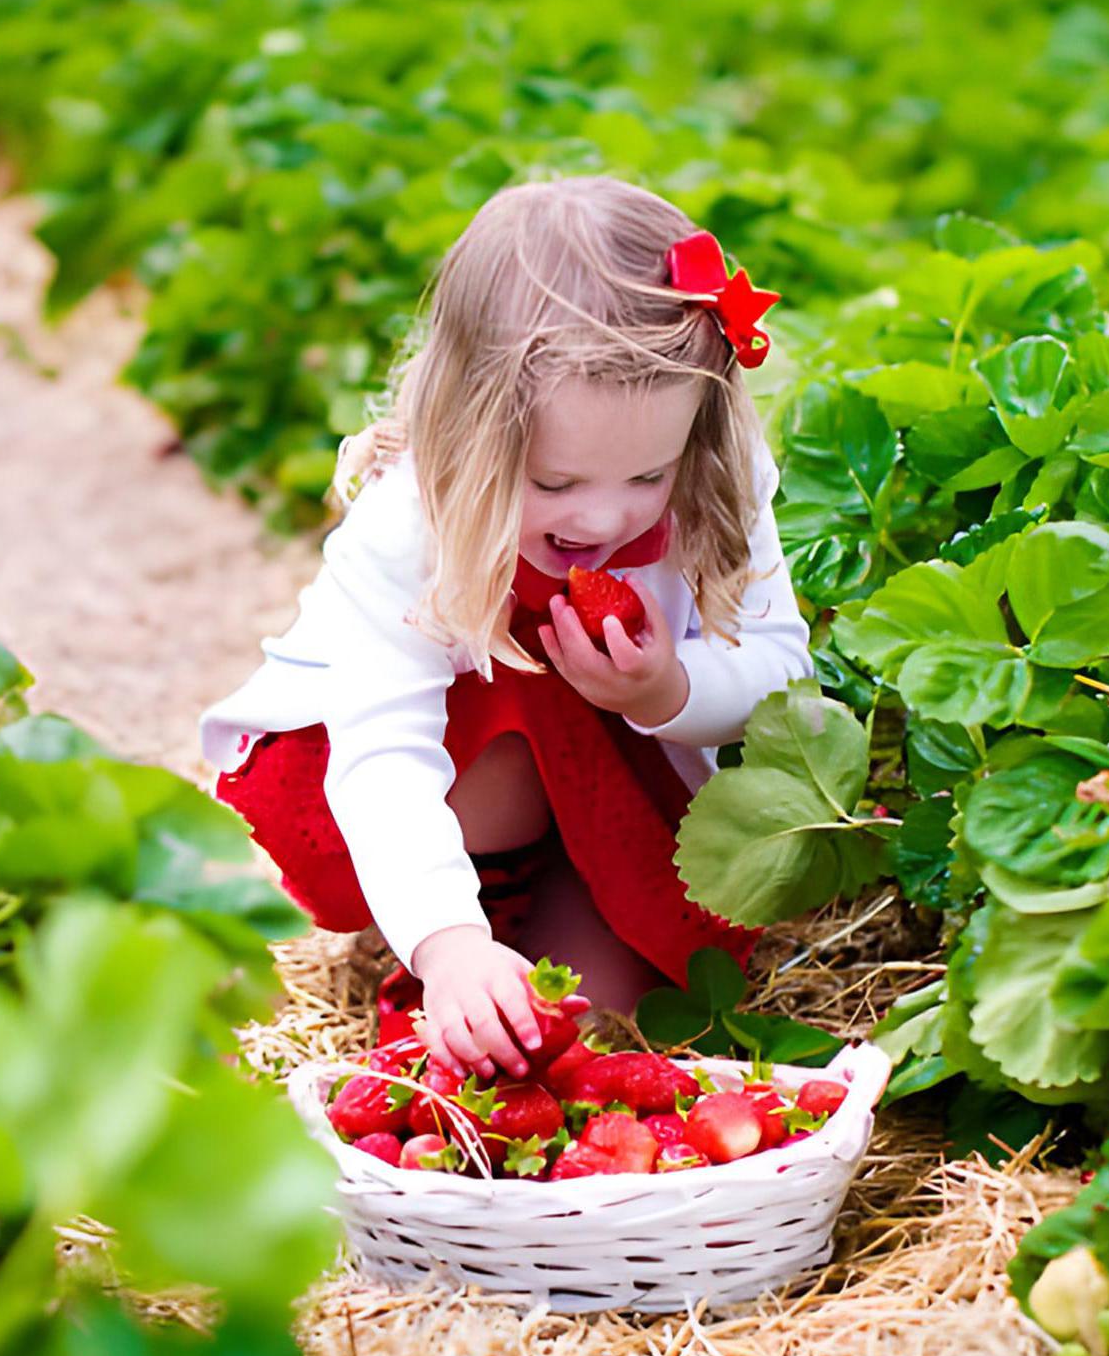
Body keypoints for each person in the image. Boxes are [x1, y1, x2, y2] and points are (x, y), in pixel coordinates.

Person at [201, 175, 812, 1085]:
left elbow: (778, 665)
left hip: (610, 785)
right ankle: (461, 930)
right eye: (556, 483)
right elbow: (386, 752)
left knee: (592, 1030)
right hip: (402, 777)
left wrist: (668, 690)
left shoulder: (715, 480)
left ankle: (534, 934)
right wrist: (448, 944)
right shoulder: (413, 524)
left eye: (647, 476)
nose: (603, 519)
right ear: (467, 435)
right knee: (514, 680)